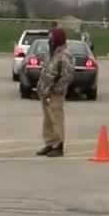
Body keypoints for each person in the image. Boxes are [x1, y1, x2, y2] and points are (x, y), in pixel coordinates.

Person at [36, 28, 73, 157]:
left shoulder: (64, 54)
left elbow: (67, 76)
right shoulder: (51, 53)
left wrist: (56, 89)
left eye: (51, 37)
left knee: (56, 118)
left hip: (55, 93)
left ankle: (59, 145)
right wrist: (41, 88)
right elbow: (46, 71)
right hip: (45, 92)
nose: (49, 40)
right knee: (47, 119)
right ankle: (49, 143)